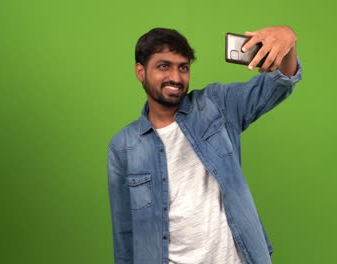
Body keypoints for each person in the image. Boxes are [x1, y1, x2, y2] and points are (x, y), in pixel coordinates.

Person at [107, 25, 302, 264]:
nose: (176, 78)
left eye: (183, 68)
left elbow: (279, 83)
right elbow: (125, 234)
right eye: (163, 66)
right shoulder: (123, 147)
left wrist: (287, 38)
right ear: (140, 71)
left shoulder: (216, 106)